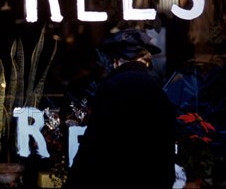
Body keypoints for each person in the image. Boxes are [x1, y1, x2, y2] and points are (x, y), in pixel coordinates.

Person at [62, 27, 176, 189]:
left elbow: (93, 144)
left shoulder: (110, 88)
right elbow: (166, 148)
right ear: (147, 60)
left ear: (116, 61)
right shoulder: (159, 92)